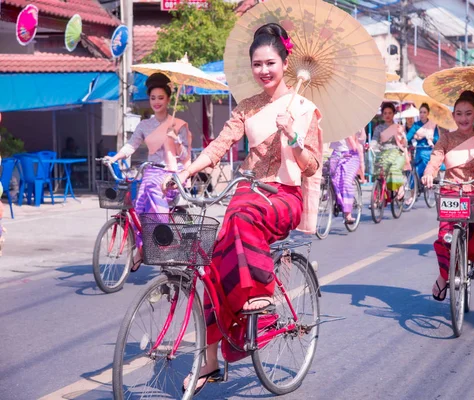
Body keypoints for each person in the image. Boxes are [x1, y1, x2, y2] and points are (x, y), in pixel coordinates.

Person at [176, 23, 323, 394]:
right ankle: (209, 363)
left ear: (285, 62)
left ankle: (264, 298)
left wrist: (293, 139)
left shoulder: (304, 109)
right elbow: (222, 143)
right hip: (247, 192)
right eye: (257, 64)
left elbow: (312, 166)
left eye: (270, 62)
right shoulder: (247, 107)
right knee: (208, 268)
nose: (264, 71)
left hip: (282, 198)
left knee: (240, 219)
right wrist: (189, 168)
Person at [105, 72, 192, 271]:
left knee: (153, 190)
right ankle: (142, 250)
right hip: (151, 172)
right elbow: (131, 145)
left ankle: (164, 238)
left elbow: (186, 156)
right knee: (138, 209)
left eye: (161, 97)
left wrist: (177, 141)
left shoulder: (178, 125)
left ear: (169, 99)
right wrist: (116, 157)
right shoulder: (144, 125)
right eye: (153, 98)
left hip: (171, 174)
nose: (156, 102)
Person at [422, 90, 474, 300]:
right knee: (444, 237)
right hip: (451, 191)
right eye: (459, 113)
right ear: (454, 116)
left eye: (468, 113)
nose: (463, 118)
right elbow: (435, 160)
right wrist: (429, 174)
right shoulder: (445, 139)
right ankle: (444, 276)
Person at [371, 102, 407, 200]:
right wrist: (371, 147)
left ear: (393, 114)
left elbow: (405, 144)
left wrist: (401, 135)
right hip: (382, 153)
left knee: (393, 169)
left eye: (390, 113)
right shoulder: (379, 128)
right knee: (378, 172)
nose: (387, 115)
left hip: (396, 152)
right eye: (385, 113)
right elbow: (374, 140)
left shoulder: (398, 127)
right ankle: (377, 196)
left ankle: (399, 187)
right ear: (382, 114)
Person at [329, 132, 365, 223]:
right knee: (331, 179)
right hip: (336, 153)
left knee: (346, 182)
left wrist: (350, 136)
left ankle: (348, 213)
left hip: (351, 155)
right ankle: (337, 200)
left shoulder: (352, 124)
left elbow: (360, 140)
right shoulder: (332, 125)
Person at [406, 103, 440, 179]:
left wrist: (430, 138)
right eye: (420, 112)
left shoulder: (433, 125)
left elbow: (437, 139)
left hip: (430, 150)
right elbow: (408, 137)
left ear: (428, 113)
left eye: (424, 112)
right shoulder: (416, 125)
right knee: (416, 169)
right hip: (419, 151)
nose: (422, 114)